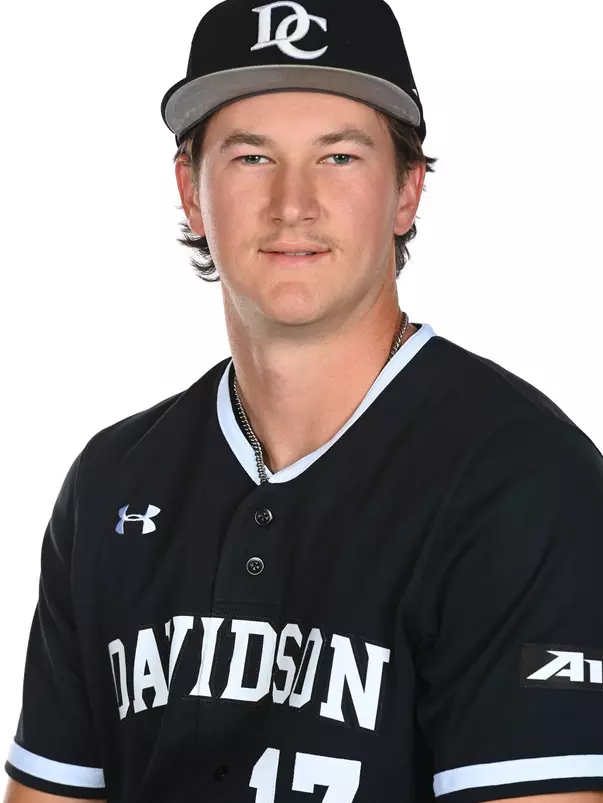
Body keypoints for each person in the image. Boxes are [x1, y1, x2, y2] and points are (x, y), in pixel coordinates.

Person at [4, 0, 603, 801]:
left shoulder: (522, 481)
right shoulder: (111, 481)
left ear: (406, 192)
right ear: (191, 192)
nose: (293, 204)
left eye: (339, 157)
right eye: (252, 157)